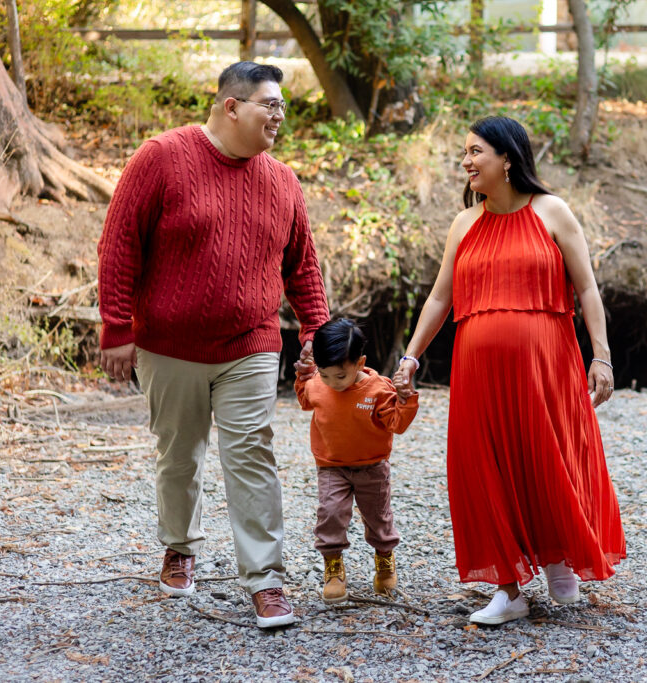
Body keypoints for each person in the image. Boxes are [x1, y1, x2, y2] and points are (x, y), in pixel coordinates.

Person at [96, 62, 329, 629]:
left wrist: (317, 331)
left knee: (251, 454)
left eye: (282, 106)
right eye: (269, 105)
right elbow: (120, 243)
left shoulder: (282, 181)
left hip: (250, 343)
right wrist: (117, 328)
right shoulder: (161, 158)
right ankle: (180, 545)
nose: (279, 116)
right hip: (169, 344)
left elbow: (302, 266)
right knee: (180, 454)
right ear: (231, 106)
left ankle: (266, 581)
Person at [393, 116, 626, 626]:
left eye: (476, 151)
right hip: (477, 372)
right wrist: (410, 356)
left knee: (548, 456)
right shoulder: (465, 223)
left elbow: (587, 290)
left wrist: (602, 356)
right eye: (465, 152)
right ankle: (508, 589)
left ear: (508, 158)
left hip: (547, 367)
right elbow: (439, 298)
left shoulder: (553, 212)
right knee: (487, 468)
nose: (466, 161)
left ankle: (559, 557)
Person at [294, 318, 418, 603]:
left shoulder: (378, 390)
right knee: (330, 513)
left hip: (371, 465)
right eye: (325, 375)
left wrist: (404, 398)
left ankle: (384, 558)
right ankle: (333, 567)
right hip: (331, 465)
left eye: (340, 376)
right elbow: (305, 399)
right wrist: (304, 376)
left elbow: (396, 424)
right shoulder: (318, 383)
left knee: (378, 516)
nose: (332, 384)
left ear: (360, 363)